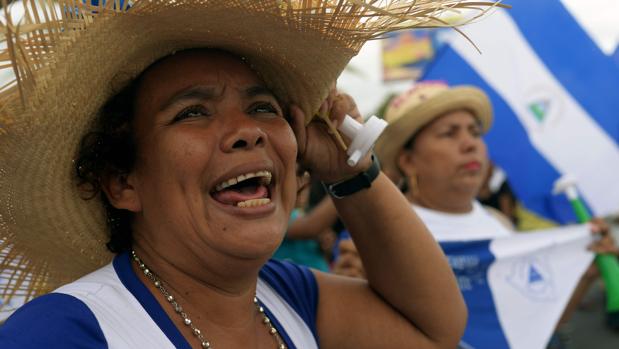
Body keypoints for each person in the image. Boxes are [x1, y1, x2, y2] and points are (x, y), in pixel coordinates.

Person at [0, 2, 509, 348]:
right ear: (124, 182)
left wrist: (347, 166)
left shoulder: (288, 296)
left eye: (264, 108)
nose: (248, 131)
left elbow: (434, 330)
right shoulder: (61, 333)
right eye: (192, 113)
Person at [333, 81, 619, 346]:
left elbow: (530, 325)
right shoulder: (373, 232)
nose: (471, 144)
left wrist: (585, 271)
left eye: (475, 132)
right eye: (449, 133)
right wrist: (350, 292)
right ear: (408, 161)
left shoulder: (499, 223)